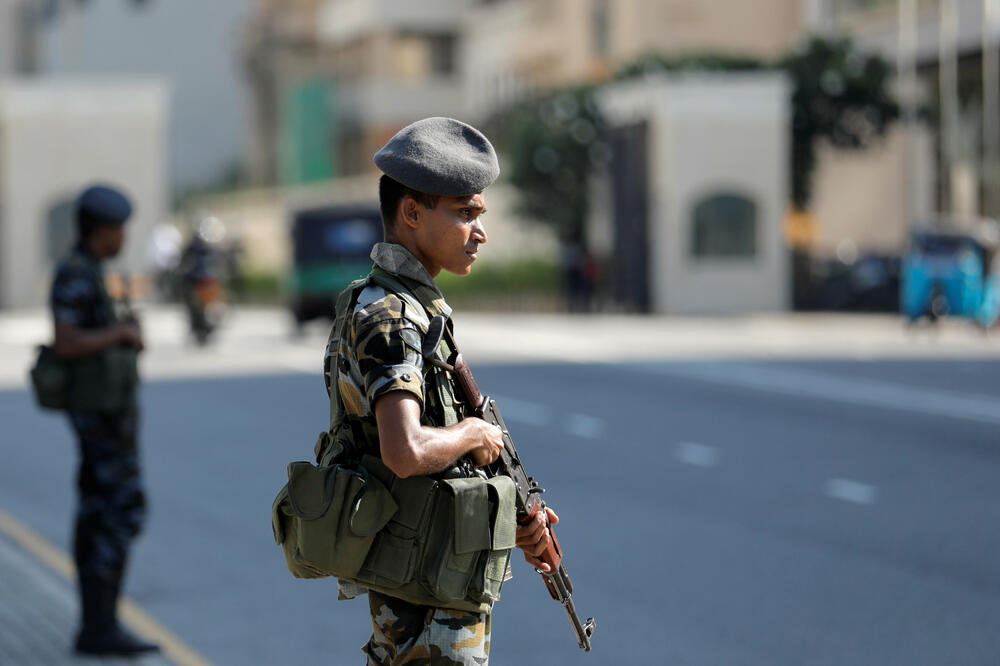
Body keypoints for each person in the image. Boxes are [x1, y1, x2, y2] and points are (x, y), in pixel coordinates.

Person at [323, 117, 558, 664]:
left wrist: (521, 512)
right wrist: (474, 432)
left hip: (429, 581)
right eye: (464, 213)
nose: (479, 231)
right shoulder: (392, 317)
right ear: (411, 213)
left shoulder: (416, 311)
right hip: (426, 604)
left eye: (479, 214)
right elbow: (404, 452)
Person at [49, 184, 158, 656]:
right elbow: (67, 341)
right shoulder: (75, 273)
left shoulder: (92, 271)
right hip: (100, 421)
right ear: (100, 231)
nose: (124, 237)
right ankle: (99, 627)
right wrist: (121, 333)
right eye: (119, 229)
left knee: (104, 514)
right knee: (116, 512)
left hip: (108, 416)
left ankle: (99, 624)